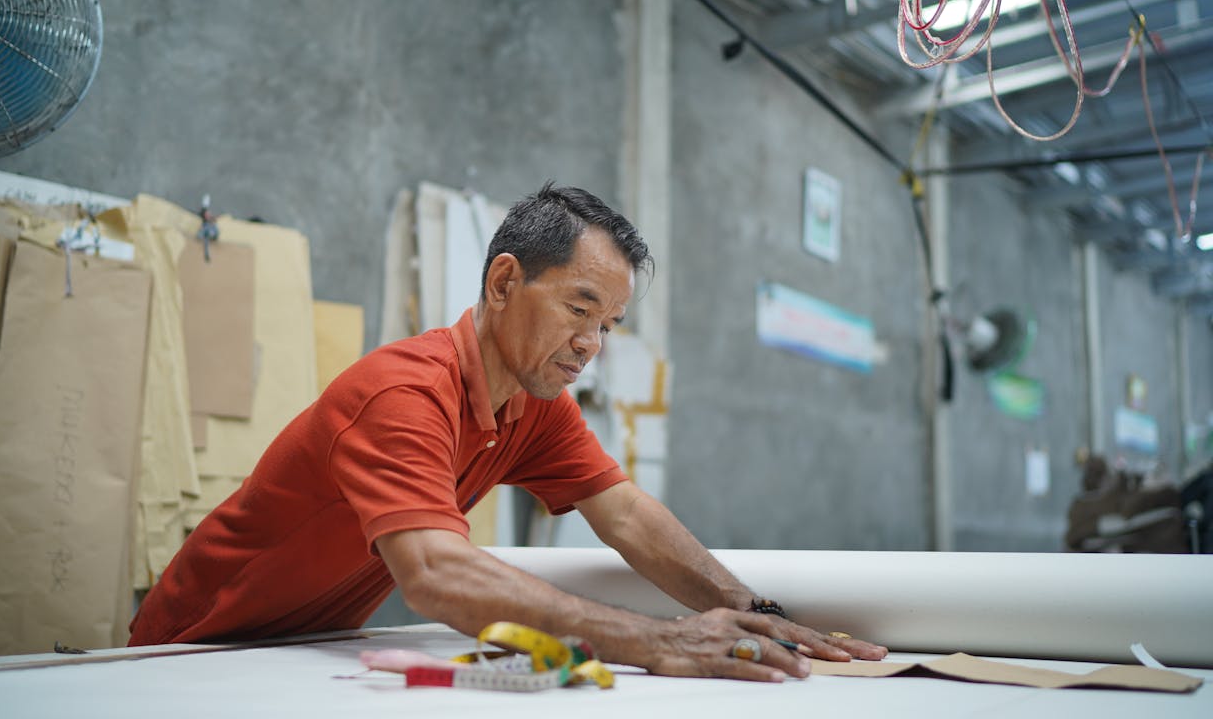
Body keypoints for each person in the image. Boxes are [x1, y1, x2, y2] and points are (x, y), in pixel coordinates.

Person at [129, 182, 887, 682]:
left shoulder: (532, 404)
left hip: (299, 652)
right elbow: (436, 574)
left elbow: (624, 514)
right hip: (190, 653)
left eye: (610, 323)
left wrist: (750, 608)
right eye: (578, 308)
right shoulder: (403, 393)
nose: (592, 342)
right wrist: (658, 641)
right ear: (502, 284)